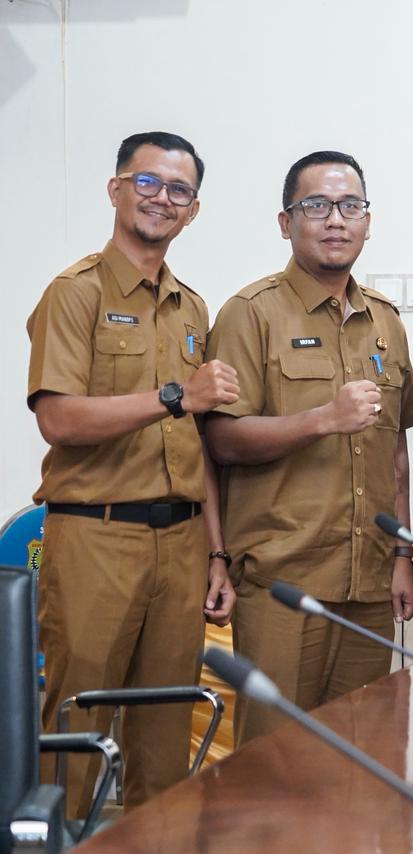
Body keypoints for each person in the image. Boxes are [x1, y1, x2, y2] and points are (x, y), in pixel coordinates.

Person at [26, 131, 239, 814]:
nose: (161, 198)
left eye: (179, 190)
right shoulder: (75, 292)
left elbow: (197, 442)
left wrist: (216, 553)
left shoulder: (191, 307)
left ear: (193, 210)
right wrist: (174, 395)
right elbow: (58, 419)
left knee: (165, 734)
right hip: (96, 537)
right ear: (116, 189)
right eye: (147, 182)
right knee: (76, 725)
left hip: (180, 544)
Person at [206, 151, 413, 744]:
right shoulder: (251, 313)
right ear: (286, 222)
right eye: (317, 206)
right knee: (275, 755)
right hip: (284, 580)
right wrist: (323, 419)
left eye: (350, 206)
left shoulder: (385, 321)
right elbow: (222, 439)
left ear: (367, 222)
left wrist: (402, 556)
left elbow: (396, 453)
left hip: (369, 581)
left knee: (361, 750)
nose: (336, 220)